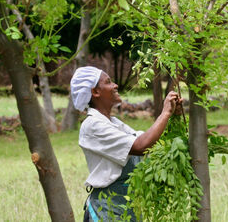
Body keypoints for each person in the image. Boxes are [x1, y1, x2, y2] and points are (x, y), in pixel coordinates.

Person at [70, 66, 182, 222]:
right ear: (95, 92)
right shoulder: (92, 126)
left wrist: (171, 116)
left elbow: (150, 141)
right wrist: (165, 113)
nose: (115, 85)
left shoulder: (113, 123)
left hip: (125, 207)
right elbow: (141, 146)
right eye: (108, 82)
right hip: (107, 210)